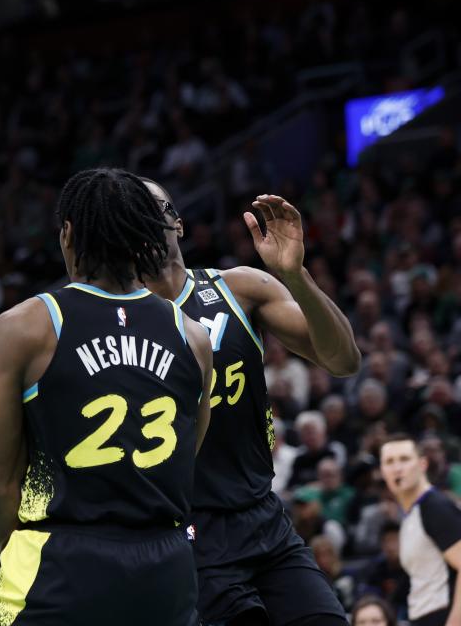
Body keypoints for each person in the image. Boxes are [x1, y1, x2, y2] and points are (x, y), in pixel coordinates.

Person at [0, 169, 213, 624]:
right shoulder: (193, 337)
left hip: (60, 554)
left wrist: (24, 556)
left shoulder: (27, 326)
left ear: (68, 234)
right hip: (168, 566)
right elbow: (188, 452)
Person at [142, 187, 361, 626]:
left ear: (179, 223)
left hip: (264, 516)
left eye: (158, 207)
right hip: (189, 532)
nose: (149, 219)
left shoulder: (239, 287)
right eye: (134, 212)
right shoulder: (119, 320)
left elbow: (343, 360)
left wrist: (295, 276)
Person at [380, 434, 461, 626]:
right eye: (389, 462)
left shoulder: (434, 506)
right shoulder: (411, 515)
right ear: (382, 471)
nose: (397, 468)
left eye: (404, 459)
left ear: (422, 464)